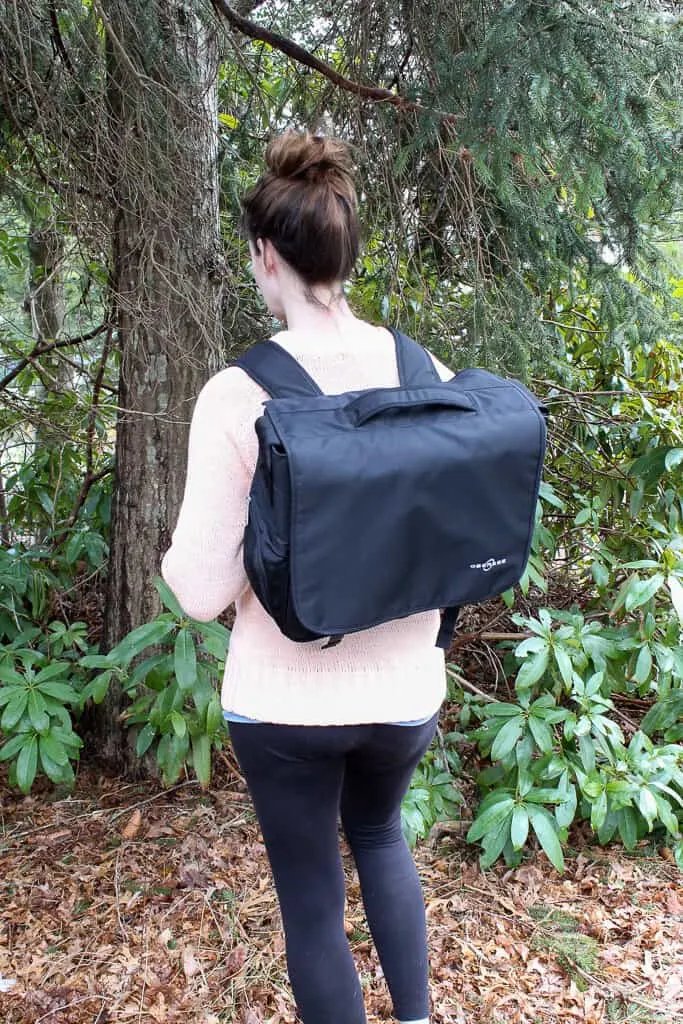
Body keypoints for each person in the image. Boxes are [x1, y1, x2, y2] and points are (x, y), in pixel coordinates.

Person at [161, 129, 450, 1024]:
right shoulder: (423, 372)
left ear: (266, 256)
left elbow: (199, 592)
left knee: (312, 902)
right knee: (381, 838)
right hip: (405, 689)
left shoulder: (238, 394)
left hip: (285, 704)